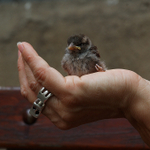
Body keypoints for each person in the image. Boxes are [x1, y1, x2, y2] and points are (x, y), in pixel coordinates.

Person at [17, 42, 150, 147]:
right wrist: (131, 94)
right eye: (70, 46)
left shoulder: (91, 54)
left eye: (78, 46)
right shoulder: (67, 59)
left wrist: (130, 94)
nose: (72, 48)